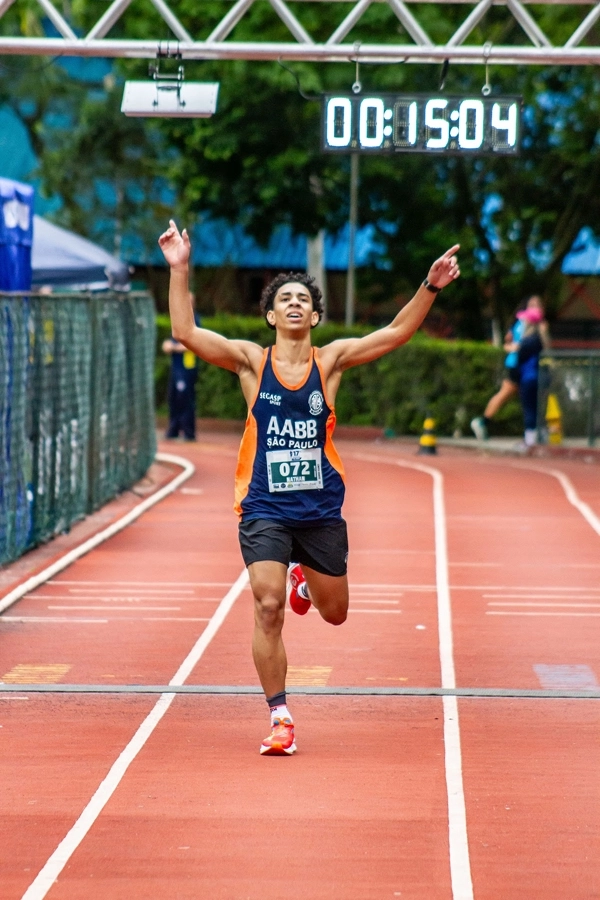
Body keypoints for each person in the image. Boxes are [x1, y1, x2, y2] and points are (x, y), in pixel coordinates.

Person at [158, 219, 460, 756]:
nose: (295, 304)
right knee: (267, 604)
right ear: (271, 315)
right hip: (264, 507)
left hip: (320, 510)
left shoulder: (331, 360)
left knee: (335, 612)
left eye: (303, 299)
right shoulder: (252, 362)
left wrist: (429, 286)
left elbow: (394, 334)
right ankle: (280, 715)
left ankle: (306, 576)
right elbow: (187, 333)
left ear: (315, 316)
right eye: (284, 299)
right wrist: (179, 269)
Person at [471, 295, 549, 441]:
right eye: (532, 305)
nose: (536, 308)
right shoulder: (521, 323)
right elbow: (510, 343)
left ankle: (537, 432)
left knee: (531, 399)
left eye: (538, 305)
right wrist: (515, 348)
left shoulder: (541, 325)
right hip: (517, 365)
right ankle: (483, 421)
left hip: (531, 367)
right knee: (508, 394)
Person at [162, 291, 201, 441]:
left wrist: (175, 347)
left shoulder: (194, 320)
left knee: (185, 398)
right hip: (176, 367)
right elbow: (169, 341)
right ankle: (173, 429)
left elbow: (195, 344)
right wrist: (168, 345)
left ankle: (188, 432)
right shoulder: (178, 320)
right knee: (174, 397)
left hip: (187, 367)